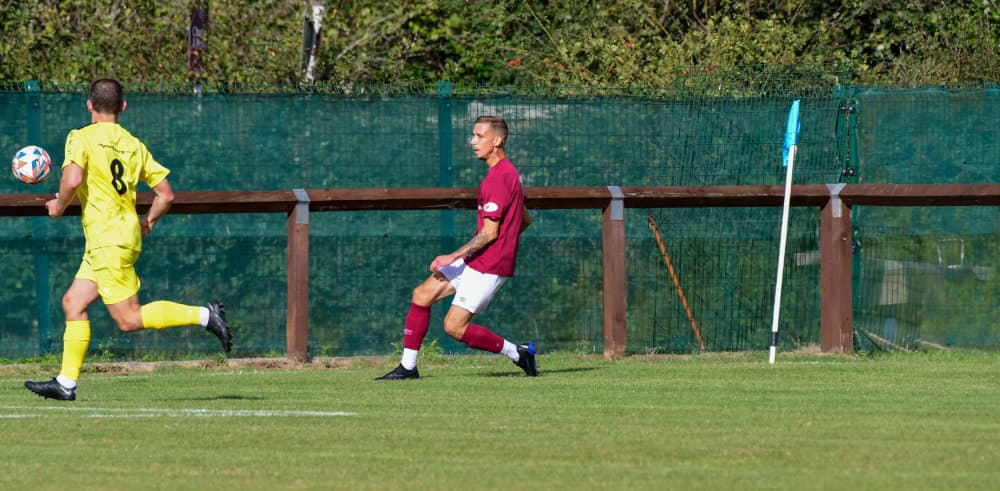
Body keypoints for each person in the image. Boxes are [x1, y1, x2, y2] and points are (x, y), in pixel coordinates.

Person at [25, 78, 232, 401]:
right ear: (122, 106)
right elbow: (166, 195)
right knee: (73, 303)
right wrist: (149, 220)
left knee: (128, 319)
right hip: (116, 238)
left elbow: (73, 179)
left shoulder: (80, 137)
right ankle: (65, 383)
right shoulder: (133, 144)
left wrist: (58, 206)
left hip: (108, 241)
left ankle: (205, 315)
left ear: (89, 105)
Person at [377, 115, 536, 380]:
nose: (473, 142)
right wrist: (506, 240)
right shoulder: (508, 174)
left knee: (453, 327)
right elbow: (524, 219)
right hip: (479, 257)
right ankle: (407, 367)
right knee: (422, 295)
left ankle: (519, 353)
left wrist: (452, 256)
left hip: (489, 265)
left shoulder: (498, 178)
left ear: (497, 141)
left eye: (479, 136)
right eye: (473, 135)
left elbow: (489, 233)